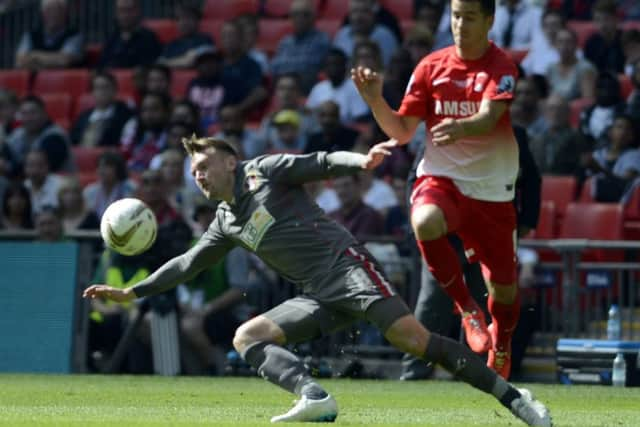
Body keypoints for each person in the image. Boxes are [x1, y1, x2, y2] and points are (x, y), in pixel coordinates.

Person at [84, 135, 551, 426]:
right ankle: (314, 397)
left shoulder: (262, 171)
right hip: (318, 295)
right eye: (194, 174)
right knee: (248, 336)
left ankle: (514, 398)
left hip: (349, 270)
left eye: (204, 166)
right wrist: (131, 291)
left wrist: (361, 161)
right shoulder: (225, 221)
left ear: (229, 160)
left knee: (417, 342)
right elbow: (186, 264)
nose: (199, 176)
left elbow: (320, 161)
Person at [351, 0, 522, 379]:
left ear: (489, 21)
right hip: (442, 179)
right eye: (456, 15)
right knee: (424, 221)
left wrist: (461, 128)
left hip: (492, 193)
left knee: (505, 293)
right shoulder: (431, 66)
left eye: (470, 17)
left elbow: (490, 116)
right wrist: (376, 100)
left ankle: (503, 341)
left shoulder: (501, 66)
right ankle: (467, 311)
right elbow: (401, 131)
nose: (460, 24)